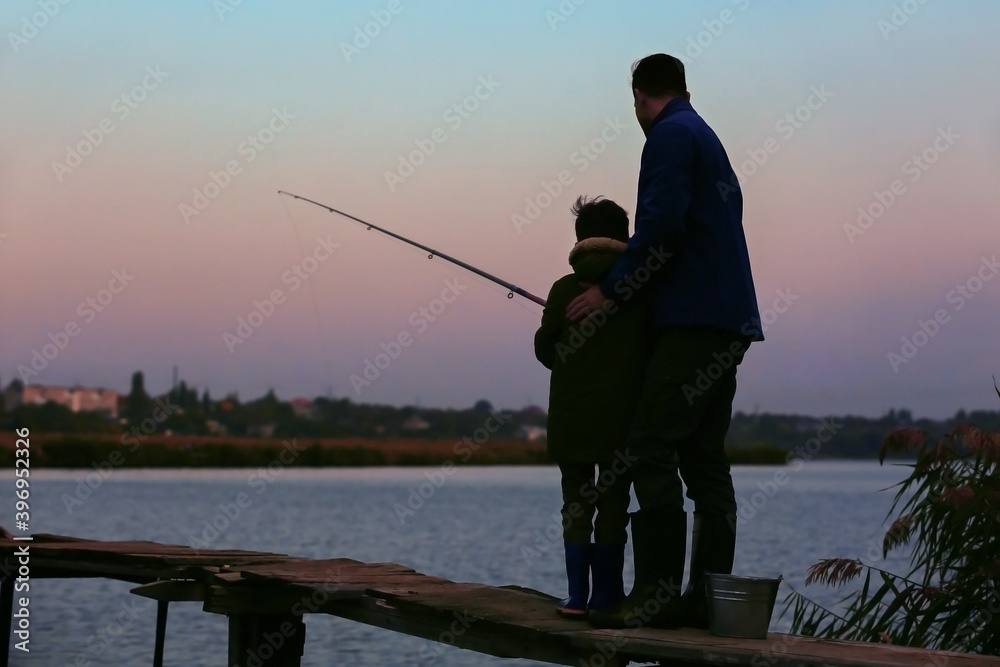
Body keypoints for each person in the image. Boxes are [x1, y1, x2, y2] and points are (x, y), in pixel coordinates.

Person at [567, 54, 764, 629]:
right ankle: (707, 599)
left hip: (693, 321)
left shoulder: (669, 138)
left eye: (633, 102)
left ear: (640, 96)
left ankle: (652, 597)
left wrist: (612, 293)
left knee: (650, 448)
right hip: (730, 321)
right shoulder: (707, 137)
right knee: (704, 458)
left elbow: (662, 228)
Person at [534, 195, 654, 618]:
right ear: (625, 237)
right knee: (615, 506)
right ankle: (607, 596)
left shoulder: (562, 289)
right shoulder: (637, 290)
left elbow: (544, 349)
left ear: (580, 239)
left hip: (571, 423)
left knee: (576, 505)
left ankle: (575, 598)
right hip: (622, 423)